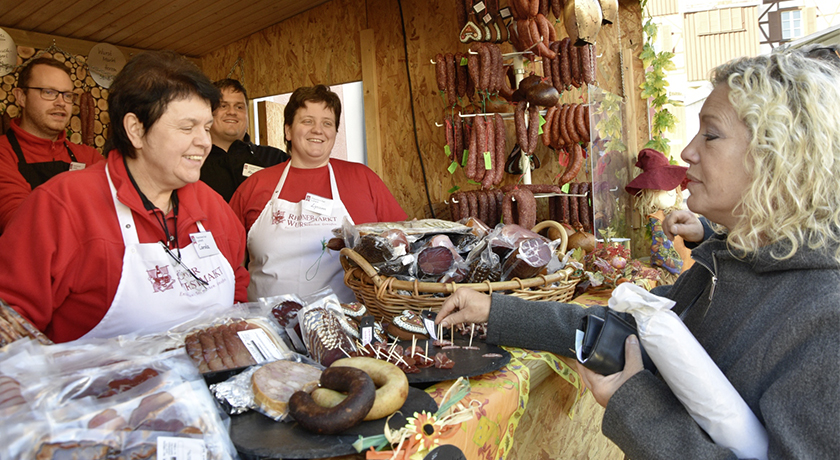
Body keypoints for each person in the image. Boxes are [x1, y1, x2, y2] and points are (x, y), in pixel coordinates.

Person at [436, 45, 840, 459]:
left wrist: (637, 409)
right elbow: (626, 328)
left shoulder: (826, 317)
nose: (688, 152)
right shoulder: (730, 262)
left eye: (711, 135)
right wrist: (496, 312)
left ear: (778, 157)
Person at [0, 51, 250, 343]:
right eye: (187, 128)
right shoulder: (61, 206)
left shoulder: (213, 206)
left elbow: (237, 286)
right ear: (136, 129)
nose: (205, 142)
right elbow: (11, 328)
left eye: (206, 128)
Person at [230, 84, 406, 302]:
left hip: (348, 319)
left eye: (327, 123)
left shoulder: (362, 179)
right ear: (288, 130)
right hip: (267, 320)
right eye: (307, 121)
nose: (318, 130)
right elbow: (227, 263)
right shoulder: (255, 185)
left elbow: (402, 244)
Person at [0, 57, 104, 234]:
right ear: (21, 97)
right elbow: (20, 221)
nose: (61, 102)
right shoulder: (4, 154)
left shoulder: (89, 157)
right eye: (48, 92)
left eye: (67, 95)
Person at [200, 78, 288, 201]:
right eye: (223, 106)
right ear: (208, 113)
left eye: (239, 107)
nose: (232, 112)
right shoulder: (194, 164)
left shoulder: (275, 159)